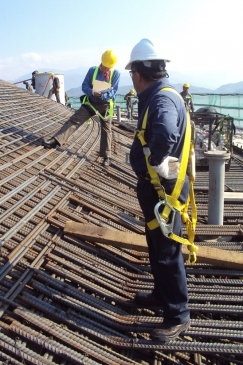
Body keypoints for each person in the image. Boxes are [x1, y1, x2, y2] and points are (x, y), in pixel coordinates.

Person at [125, 39, 190, 342]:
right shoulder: (159, 95)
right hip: (157, 190)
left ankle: (177, 315)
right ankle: (160, 294)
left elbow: (165, 132)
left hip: (163, 192)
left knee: (166, 252)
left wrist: (156, 161)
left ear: (138, 74)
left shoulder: (161, 100)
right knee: (157, 246)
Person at [43, 50, 120, 167]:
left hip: (105, 105)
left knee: (106, 129)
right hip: (91, 102)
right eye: (104, 66)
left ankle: (106, 156)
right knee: (75, 120)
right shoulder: (92, 70)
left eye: (107, 67)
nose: (105, 69)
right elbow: (84, 86)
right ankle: (56, 141)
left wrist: (103, 95)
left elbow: (114, 92)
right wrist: (92, 92)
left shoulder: (116, 74)